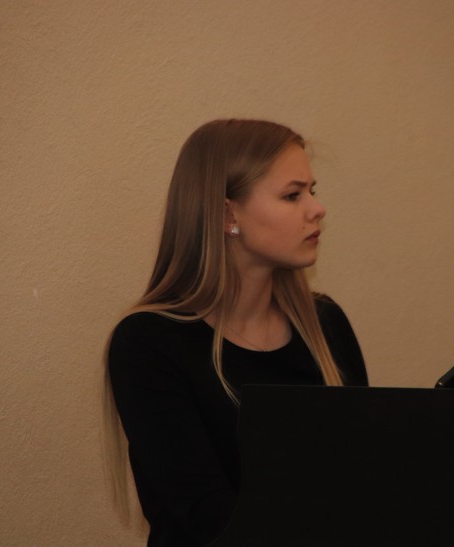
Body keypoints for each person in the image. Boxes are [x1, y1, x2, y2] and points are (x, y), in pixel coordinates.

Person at [103, 119, 368, 546]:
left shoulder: (325, 324)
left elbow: (362, 482)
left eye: (312, 192)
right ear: (229, 214)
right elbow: (207, 517)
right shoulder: (149, 344)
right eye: (292, 195)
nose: (317, 209)